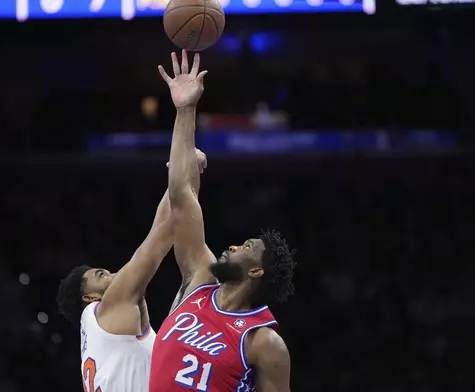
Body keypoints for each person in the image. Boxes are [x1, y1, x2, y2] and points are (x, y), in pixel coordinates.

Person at [150, 50, 296, 392]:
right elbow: (181, 197)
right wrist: (185, 109)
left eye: (247, 247)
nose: (233, 245)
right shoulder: (201, 278)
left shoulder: (263, 342)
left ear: (257, 271)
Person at [56, 150, 207, 392]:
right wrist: (182, 176)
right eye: (101, 275)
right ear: (89, 298)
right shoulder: (109, 306)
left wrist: (178, 177)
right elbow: (169, 230)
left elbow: (162, 228)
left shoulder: (103, 335)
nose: (114, 274)